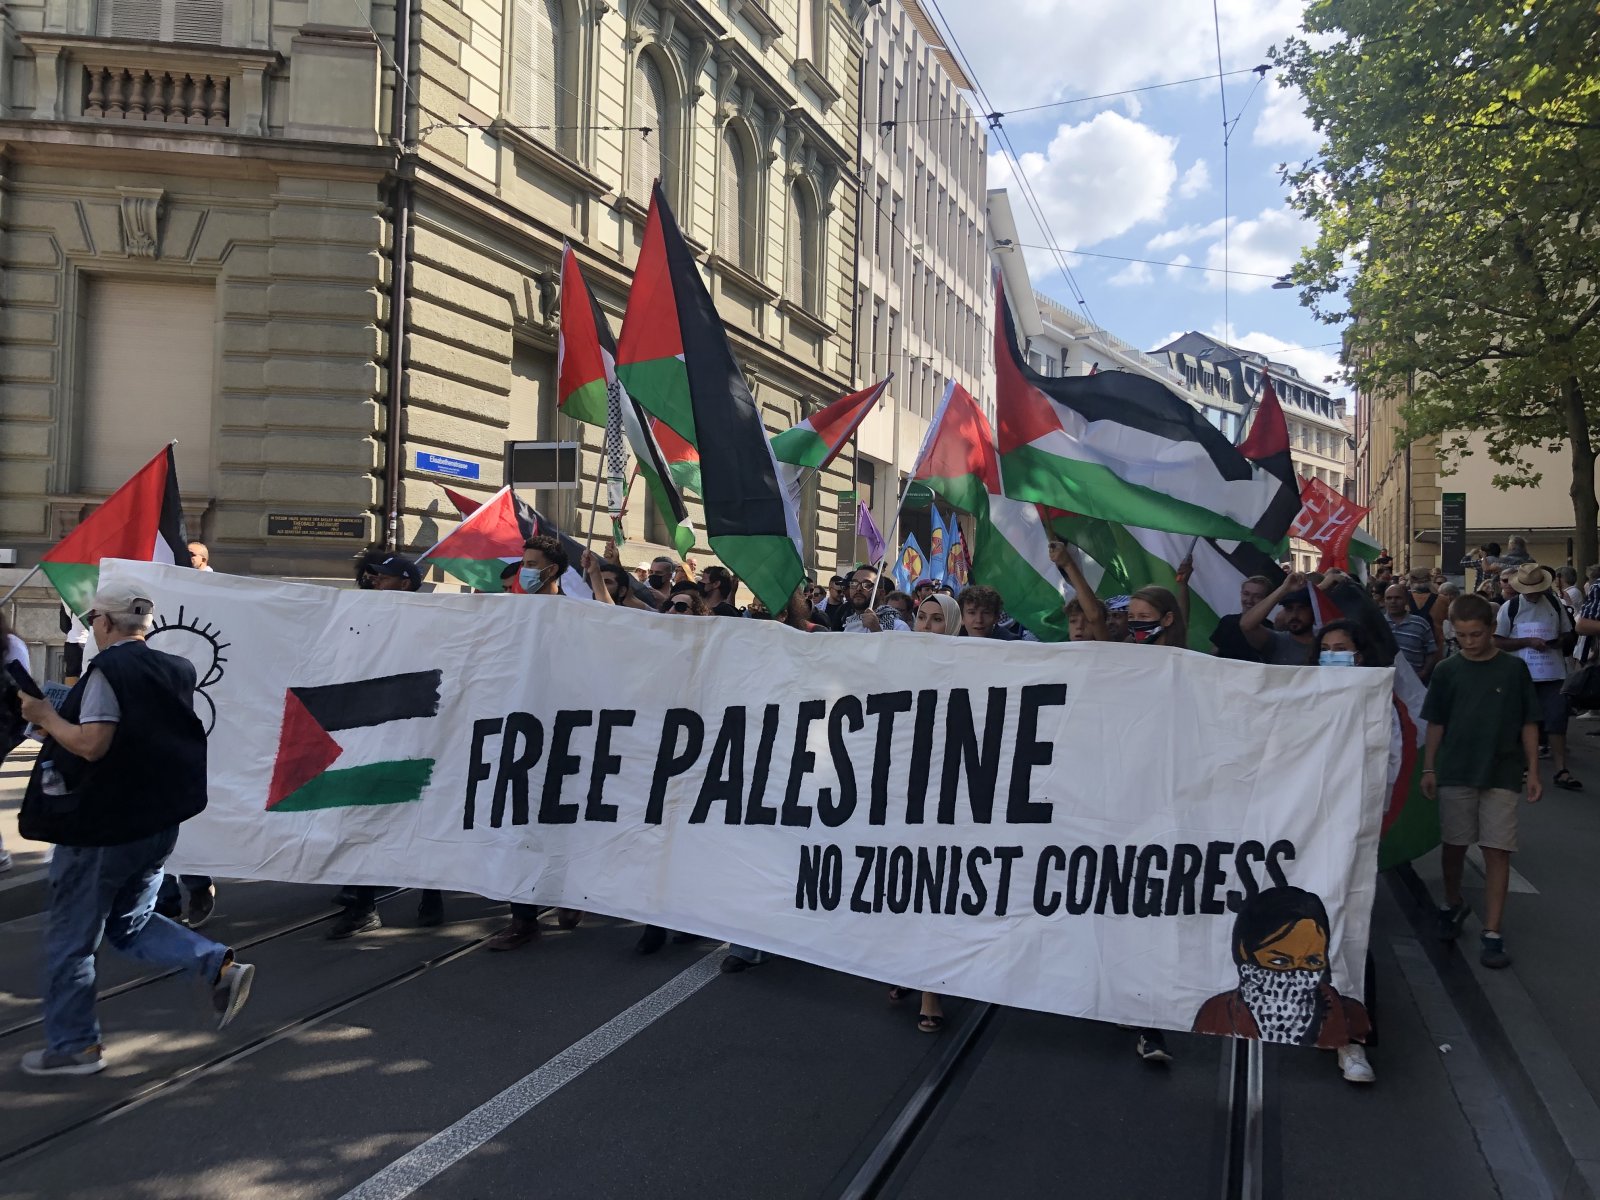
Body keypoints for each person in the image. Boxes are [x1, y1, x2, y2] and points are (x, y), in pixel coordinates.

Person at [15, 581, 254, 1076]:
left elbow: (93, 744)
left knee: (70, 940)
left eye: (92, 620)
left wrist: (44, 717)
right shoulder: (177, 668)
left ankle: (74, 1046)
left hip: (102, 829)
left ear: (102, 621)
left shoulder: (108, 668)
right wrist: (62, 723)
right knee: (131, 923)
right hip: (154, 824)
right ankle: (215, 963)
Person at [329, 553, 448, 938]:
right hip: (369, 729)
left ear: (405, 582)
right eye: (373, 576)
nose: (374, 581)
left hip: (417, 730)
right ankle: (363, 904)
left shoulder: (432, 619)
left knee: (422, 813)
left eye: (382, 577)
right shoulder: (362, 615)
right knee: (362, 814)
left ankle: (433, 893)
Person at [1423, 593, 1543, 969]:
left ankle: (1492, 930)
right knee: (1454, 846)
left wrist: (1534, 771)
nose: (1469, 642)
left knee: (1497, 849)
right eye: (1461, 636)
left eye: (1476, 634)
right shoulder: (1447, 670)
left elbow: (1528, 721)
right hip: (1457, 768)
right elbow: (1436, 722)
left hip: (1502, 771)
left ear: (1492, 630)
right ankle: (1453, 900)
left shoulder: (1513, 670)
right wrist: (1429, 767)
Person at [484, 536, 582, 951]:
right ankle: (523, 918)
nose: (524, 568)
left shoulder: (577, 616)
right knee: (517, 824)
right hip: (518, 732)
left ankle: (570, 890)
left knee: (562, 825)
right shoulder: (510, 614)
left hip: (566, 734)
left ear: (552, 570)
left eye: (531, 562)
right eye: (523, 562)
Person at [1494, 563, 1579, 791]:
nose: (1533, 593)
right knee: (1522, 719)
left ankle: (1561, 768)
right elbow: (1498, 640)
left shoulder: (1553, 604)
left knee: (1557, 718)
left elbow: (1567, 633)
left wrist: (1560, 642)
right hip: (1522, 674)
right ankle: (1522, 765)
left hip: (1552, 672)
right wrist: (1527, 642)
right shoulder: (1510, 608)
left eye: (1537, 588)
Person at [1239, 573, 1322, 665]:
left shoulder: (1327, 644)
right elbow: (1246, 625)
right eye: (1289, 608)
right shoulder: (1277, 641)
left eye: (1301, 608)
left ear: (1313, 611)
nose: (1294, 615)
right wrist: (1284, 588)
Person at [1382, 584, 1440, 682]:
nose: (1393, 601)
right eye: (1389, 598)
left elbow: (1431, 652)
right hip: (1385, 682)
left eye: (1397, 598)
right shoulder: (1378, 623)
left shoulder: (1421, 624)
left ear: (1406, 600)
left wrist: (1424, 672)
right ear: (1384, 601)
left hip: (1414, 684)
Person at [837, 566, 909, 632]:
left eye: (867, 585)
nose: (858, 589)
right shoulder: (849, 625)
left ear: (881, 593)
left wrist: (876, 630)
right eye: (854, 584)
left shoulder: (898, 626)